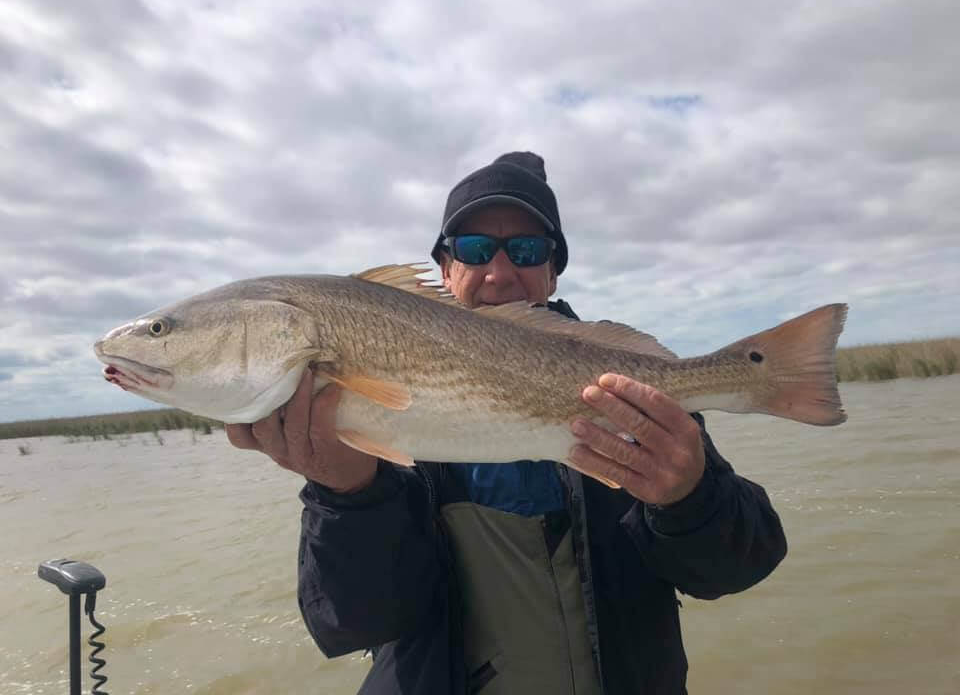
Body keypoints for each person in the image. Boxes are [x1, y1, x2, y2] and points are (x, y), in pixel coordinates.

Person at [226, 152, 787, 694]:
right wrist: (349, 495)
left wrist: (689, 497)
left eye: (526, 249)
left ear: (553, 273)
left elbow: (738, 568)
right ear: (445, 269)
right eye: (474, 249)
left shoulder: (628, 394)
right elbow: (357, 623)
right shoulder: (370, 407)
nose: (499, 273)